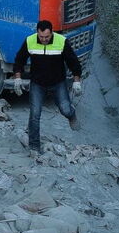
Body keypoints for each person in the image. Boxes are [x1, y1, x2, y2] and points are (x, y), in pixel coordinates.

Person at [13, 20, 83, 150]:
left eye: (47, 36)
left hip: (58, 82)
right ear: (37, 33)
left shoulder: (61, 41)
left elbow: (73, 62)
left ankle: (71, 115)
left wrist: (77, 81)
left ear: (52, 33)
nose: (44, 39)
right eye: (41, 37)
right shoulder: (30, 40)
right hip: (37, 83)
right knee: (34, 114)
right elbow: (19, 60)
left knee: (65, 109)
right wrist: (18, 78)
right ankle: (34, 147)